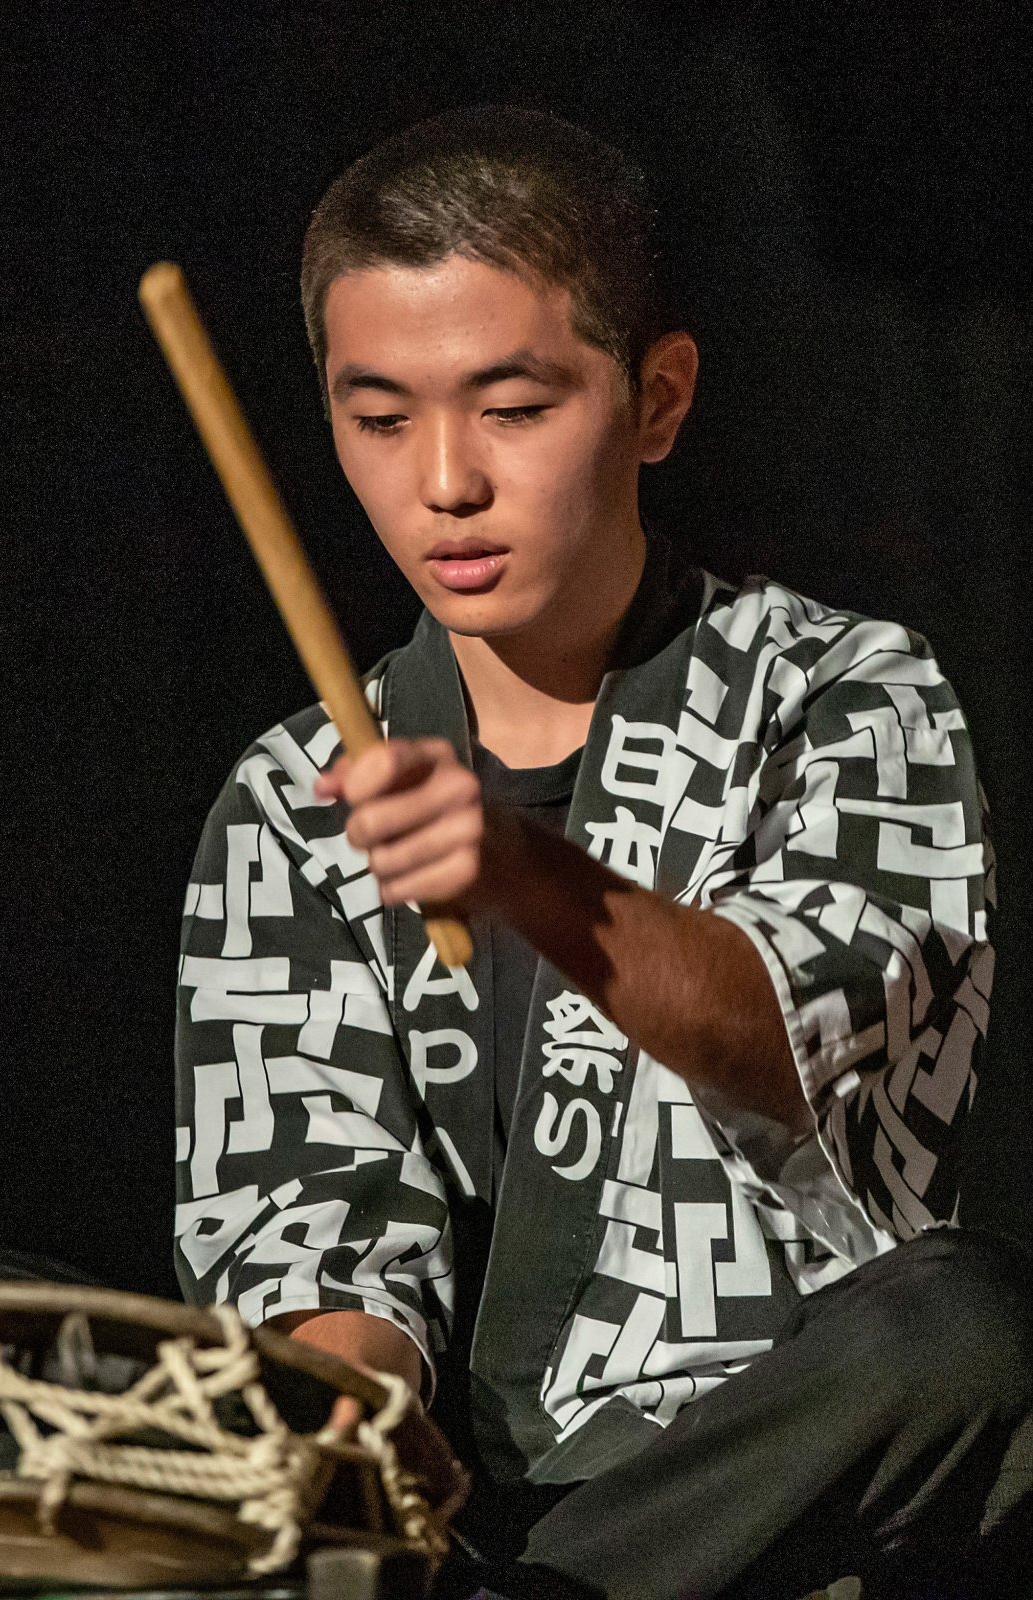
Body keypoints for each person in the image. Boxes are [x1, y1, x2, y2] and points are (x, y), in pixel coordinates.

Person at [174, 107, 1032, 1598]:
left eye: (511, 408)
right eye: (380, 419)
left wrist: (523, 874)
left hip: (779, 1466)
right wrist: (348, 1419)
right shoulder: (291, 797)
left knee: (963, 1335)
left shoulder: (845, 694)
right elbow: (311, 1228)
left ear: (656, 399)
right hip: (458, 1515)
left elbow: (800, 1036)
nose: (444, 481)